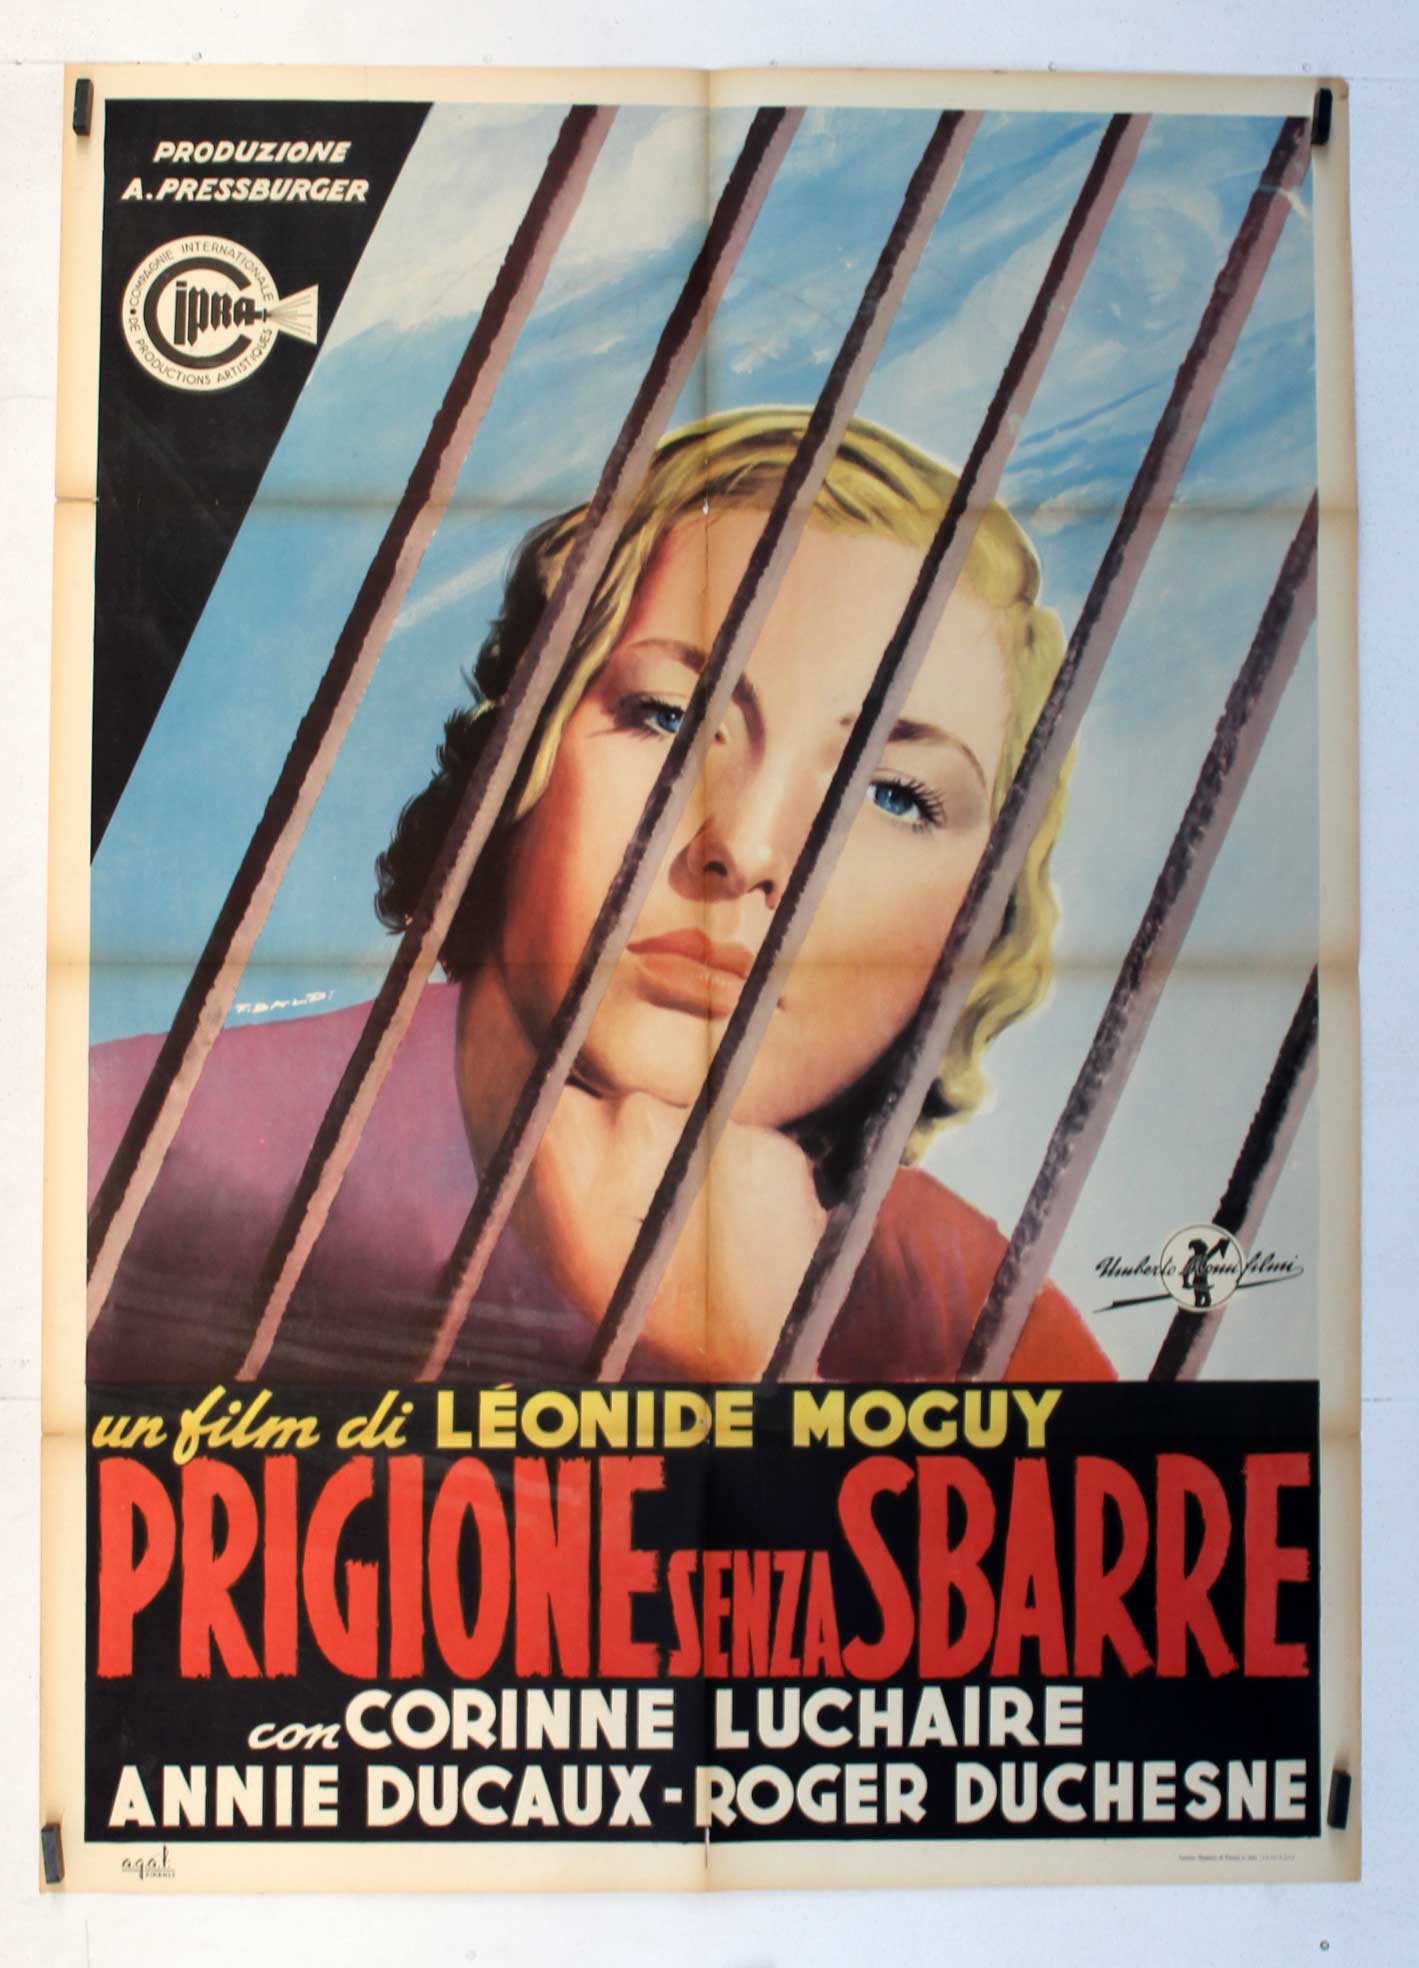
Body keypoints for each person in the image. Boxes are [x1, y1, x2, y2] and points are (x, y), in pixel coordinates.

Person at [87, 408, 1112, 1384]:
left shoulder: (982, 1319)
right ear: (517, 753)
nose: (746, 848)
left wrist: (760, 1384)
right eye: (670, 717)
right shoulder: (117, 1149)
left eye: (892, 795)